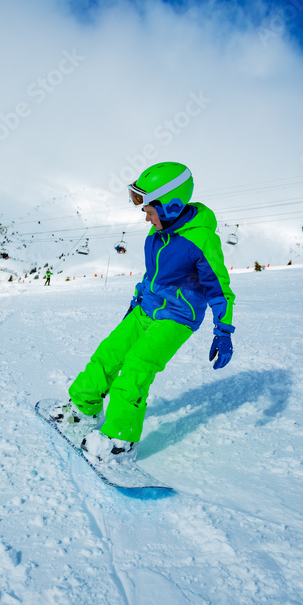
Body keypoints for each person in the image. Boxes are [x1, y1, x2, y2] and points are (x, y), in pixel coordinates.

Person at [48, 162, 236, 461]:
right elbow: (153, 276)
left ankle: (120, 439)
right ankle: (83, 408)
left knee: (137, 366)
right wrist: (136, 301)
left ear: (172, 207)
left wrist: (223, 330)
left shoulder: (201, 240)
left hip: (177, 317)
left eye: (150, 211)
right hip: (145, 309)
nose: (146, 218)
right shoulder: (157, 234)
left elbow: (220, 288)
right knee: (110, 352)